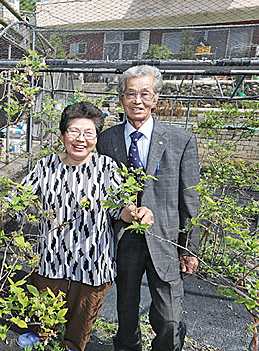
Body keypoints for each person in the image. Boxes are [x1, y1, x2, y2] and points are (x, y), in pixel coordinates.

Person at [5, 101, 154, 351]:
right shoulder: (46, 165)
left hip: (93, 258)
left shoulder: (107, 168)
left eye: (88, 133)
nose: (80, 139)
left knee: (84, 311)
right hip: (52, 254)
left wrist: (137, 213)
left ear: (96, 138)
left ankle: (73, 344)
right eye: (74, 131)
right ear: (63, 135)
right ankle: (39, 334)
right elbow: (18, 196)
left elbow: (121, 209)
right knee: (43, 299)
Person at [96, 65, 200, 351]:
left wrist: (189, 249)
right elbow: (102, 190)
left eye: (145, 94)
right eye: (131, 94)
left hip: (164, 239)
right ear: (121, 99)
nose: (137, 100)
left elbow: (190, 198)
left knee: (168, 318)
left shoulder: (181, 141)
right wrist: (122, 210)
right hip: (125, 240)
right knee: (126, 314)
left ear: (156, 98)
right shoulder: (107, 139)